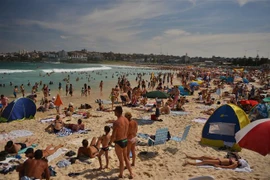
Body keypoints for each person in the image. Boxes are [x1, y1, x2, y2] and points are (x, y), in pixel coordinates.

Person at [109, 106, 133, 179]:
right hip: (125, 140)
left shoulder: (116, 122)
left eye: (114, 111)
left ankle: (121, 174)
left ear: (117, 112)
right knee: (126, 158)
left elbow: (113, 135)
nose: (114, 112)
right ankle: (131, 173)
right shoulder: (126, 120)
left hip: (119, 142)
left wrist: (110, 143)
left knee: (121, 160)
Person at [182, 153, 248, 169]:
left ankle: (188, 162)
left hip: (219, 162)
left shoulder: (235, 164)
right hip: (218, 159)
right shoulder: (236, 161)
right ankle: (190, 157)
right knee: (203, 157)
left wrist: (219, 166)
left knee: (205, 161)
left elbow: (228, 167)